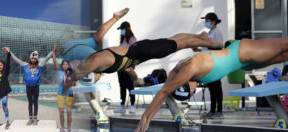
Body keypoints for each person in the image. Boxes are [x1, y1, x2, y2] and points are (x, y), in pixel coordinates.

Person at [132, 37, 288, 132]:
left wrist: (146, 116)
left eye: (191, 93)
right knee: (282, 57)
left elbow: (165, 91)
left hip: (243, 52)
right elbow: (164, 91)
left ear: (188, 87)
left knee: (284, 45)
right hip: (243, 61)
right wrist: (148, 116)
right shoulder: (178, 69)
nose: (194, 92)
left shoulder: (191, 68)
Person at [63, 31, 224, 91]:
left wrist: (68, 83)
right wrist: (137, 80)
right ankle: (199, 36)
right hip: (143, 51)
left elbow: (81, 70)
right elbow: (127, 69)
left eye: (94, 80)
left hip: (144, 51)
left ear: (90, 75)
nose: (97, 80)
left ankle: (210, 43)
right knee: (174, 41)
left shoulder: (97, 61)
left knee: (180, 44)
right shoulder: (105, 66)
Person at [58, 8, 130, 83]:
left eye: (96, 80)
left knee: (97, 50)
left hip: (69, 50)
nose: (98, 80)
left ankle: (116, 17)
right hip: (72, 48)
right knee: (97, 39)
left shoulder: (97, 64)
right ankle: (115, 17)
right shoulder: (98, 67)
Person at [10, 46, 54, 126]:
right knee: (30, 102)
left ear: (36, 59)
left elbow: (47, 58)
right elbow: (17, 60)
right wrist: (10, 52)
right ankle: (30, 118)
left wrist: (53, 50)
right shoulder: (25, 65)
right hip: (28, 87)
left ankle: (35, 118)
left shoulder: (40, 65)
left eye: (35, 59)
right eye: (32, 58)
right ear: (30, 58)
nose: (33, 60)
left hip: (36, 86)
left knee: (35, 102)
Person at [201, 12, 224, 119]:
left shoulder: (217, 32)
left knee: (217, 88)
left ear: (214, 21)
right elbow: (207, 47)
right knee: (211, 88)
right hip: (208, 63)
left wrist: (207, 44)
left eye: (207, 21)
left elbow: (219, 47)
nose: (206, 23)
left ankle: (219, 111)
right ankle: (212, 110)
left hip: (216, 62)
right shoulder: (209, 32)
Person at [52, 45, 75, 132]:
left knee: (69, 113)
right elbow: (54, 61)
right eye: (64, 64)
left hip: (69, 94)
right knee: (61, 113)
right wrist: (54, 51)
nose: (65, 65)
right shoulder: (60, 71)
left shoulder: (73, 73)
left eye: (67, 64)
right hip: (60, 94)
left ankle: (69, 129)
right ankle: (62, 128)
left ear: (69, 65)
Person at [114, 21, 137, 114]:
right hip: (120, 66)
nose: (121, 31)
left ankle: (132, 105)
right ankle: (122, 106)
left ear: (126, 29)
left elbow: (135, 52)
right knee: (122, 86)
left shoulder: (132, 39)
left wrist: (131, 66)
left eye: (122, 29)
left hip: (128, 66)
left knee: (130, 86)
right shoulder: (123, 40)